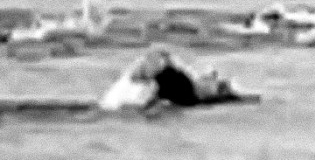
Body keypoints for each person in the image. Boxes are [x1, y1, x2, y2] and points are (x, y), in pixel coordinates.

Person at [98, 47, 252, 111]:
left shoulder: (186, 89)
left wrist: (168, 60)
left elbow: (158, 59)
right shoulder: (187, 91)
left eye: (219, 85)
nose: (212, 75)